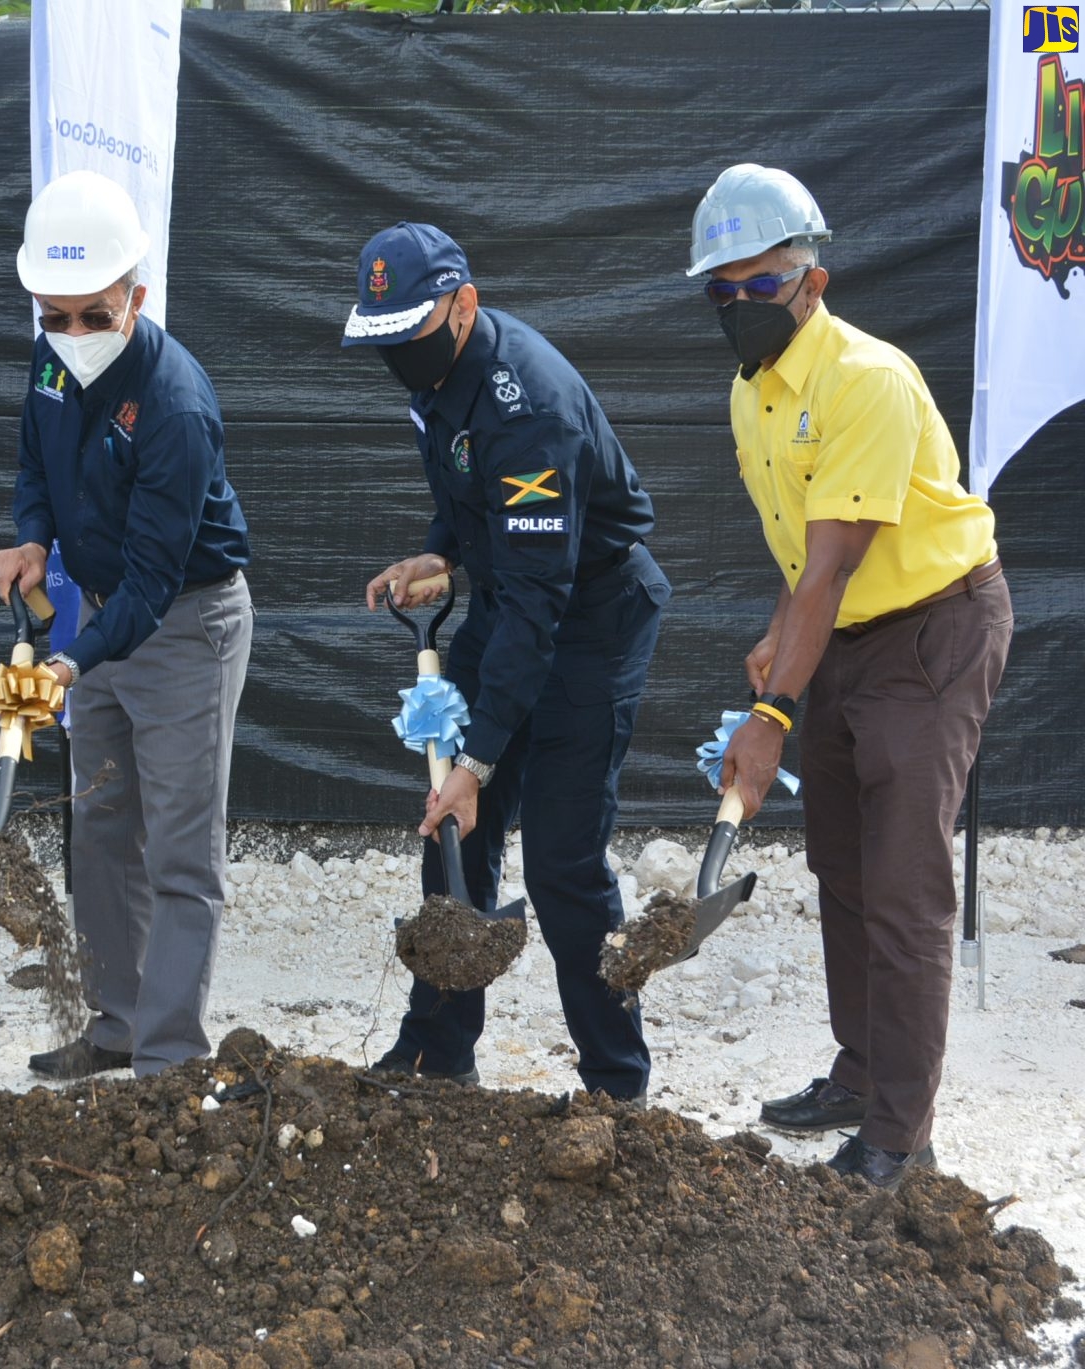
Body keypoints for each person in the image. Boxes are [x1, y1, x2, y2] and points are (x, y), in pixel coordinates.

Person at [688, 165, 1011, 1188]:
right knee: (840, 864)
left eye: (757, 287)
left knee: (905, 883)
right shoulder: (749, 396)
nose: (738, 308)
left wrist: (769, 709)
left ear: (809, 281)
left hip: (931, 632)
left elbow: (834, 558)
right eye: (719, 292)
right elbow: (805, 562)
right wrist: (780, 633)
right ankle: (859, 1067)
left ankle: (898, 1134)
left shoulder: (862, 378)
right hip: (843, 629)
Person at [345, 222, 671, 1103]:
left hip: (590, 616)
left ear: (464, 307)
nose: (396, 356)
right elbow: (467, 494)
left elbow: (541, 602)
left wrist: (480, 757)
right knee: (456, 827)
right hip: (511, 595)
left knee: (562, 860)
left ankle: (615, 1082)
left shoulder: (528, 408)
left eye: (408, 334)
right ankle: (439, 1047)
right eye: (382, 340)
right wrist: (440, 554)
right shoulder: (437, 373)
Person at [0, 171, 254, 1080]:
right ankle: (115, 1026)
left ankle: (170, 1061)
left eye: (94, 315)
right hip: (95, 616)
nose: (72, 336)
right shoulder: (50, 358)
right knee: (100, 827)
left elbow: (151, 583)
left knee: (181, 845)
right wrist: (31, 541)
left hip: (185, 624)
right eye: (53, 316)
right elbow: (33, 458)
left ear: (136, 295)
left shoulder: (177, 406)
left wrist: (67, 665)